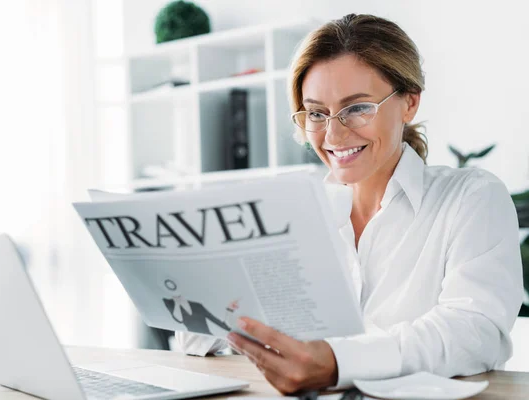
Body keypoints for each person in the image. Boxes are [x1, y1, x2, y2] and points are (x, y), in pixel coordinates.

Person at [175, 13, 524, 393]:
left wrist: (340, 363)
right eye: (317, 113)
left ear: (409, 102)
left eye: (357, 107)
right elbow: (193, 341)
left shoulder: (471, 198)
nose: (334, 134)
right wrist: (212, 287)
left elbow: (475, 330)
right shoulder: (288, 214)